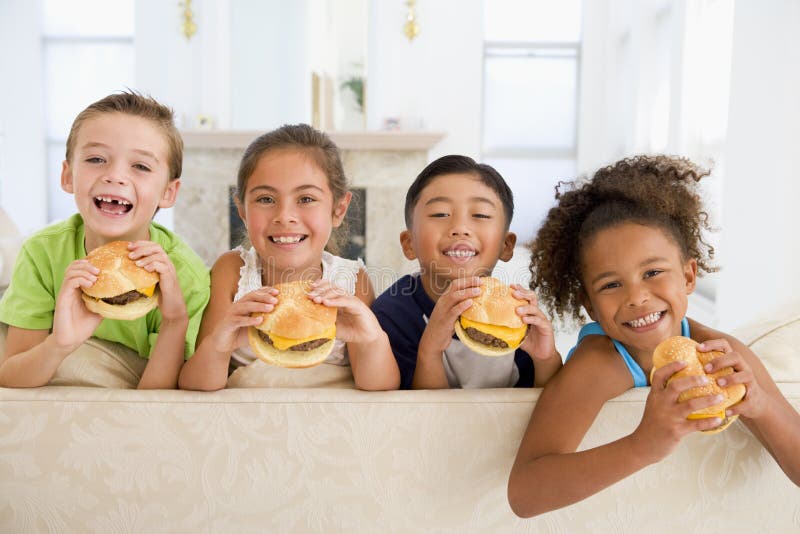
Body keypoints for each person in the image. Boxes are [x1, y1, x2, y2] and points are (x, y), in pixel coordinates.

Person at [507, 155, 800, 517]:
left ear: (689, 277)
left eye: (653, 272)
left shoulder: (722, 352)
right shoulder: (599, 364)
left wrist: (763, 406)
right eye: (611, 284)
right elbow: (524, 493)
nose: (636, 297)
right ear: (589, 305)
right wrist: (643, 445)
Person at [0, 91, 210, 389]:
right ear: (68, 175)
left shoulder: (185, 276)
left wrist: (175, 321)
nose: (115, 176)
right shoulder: (42, 253)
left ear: (169, 192)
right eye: (96, 159)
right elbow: (10, 378)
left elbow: (159, 405)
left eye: (141, 166)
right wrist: (59, 344)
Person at [178, 124, 399, 391]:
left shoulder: (350, 280)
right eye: (266, 199)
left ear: (338, 209)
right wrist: (219, 343)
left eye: (306, 198)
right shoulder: (233, 271)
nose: (284, 216)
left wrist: (371, 338)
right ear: (242, 211)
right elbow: (195, 385)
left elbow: (379, 388)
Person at [372, 155, 562, 389]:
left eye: (480, 215)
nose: (460, 228)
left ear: (506, 245)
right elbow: (419, 414)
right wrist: (430, 351)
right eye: (440, 214)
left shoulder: (517, 315)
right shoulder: (390, 313)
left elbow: (544, 405)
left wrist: (546, 358)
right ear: (409, 243)